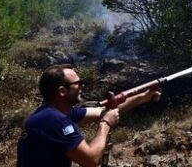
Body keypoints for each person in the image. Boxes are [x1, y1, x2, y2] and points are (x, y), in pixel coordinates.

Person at [17, 64, 161, 167]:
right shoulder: (54, 120)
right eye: (78, 83)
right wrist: (106, 124)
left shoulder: (54, 113)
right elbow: (91, 160)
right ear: (62, 91)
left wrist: (142, 97)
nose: (82, 86)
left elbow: (102, 112)